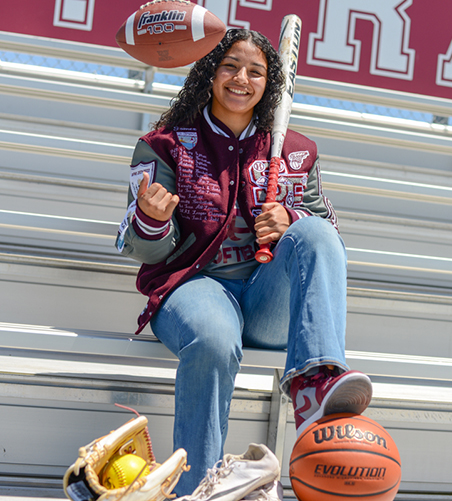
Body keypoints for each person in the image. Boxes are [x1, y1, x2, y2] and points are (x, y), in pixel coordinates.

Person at [116, 29, 372, 496]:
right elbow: (139, 248)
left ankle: (315, 384)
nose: (241, 78)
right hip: (193, 287)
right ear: (210, 72)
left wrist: (290, 218)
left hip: (265, 300)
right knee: (214, 339)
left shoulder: (295, 150)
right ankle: (197, 488)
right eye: (231, 65)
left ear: (269, 84)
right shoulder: (165, 144)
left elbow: (326, 238)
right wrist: (152, 219)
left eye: (256, 71)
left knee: (314, 232)